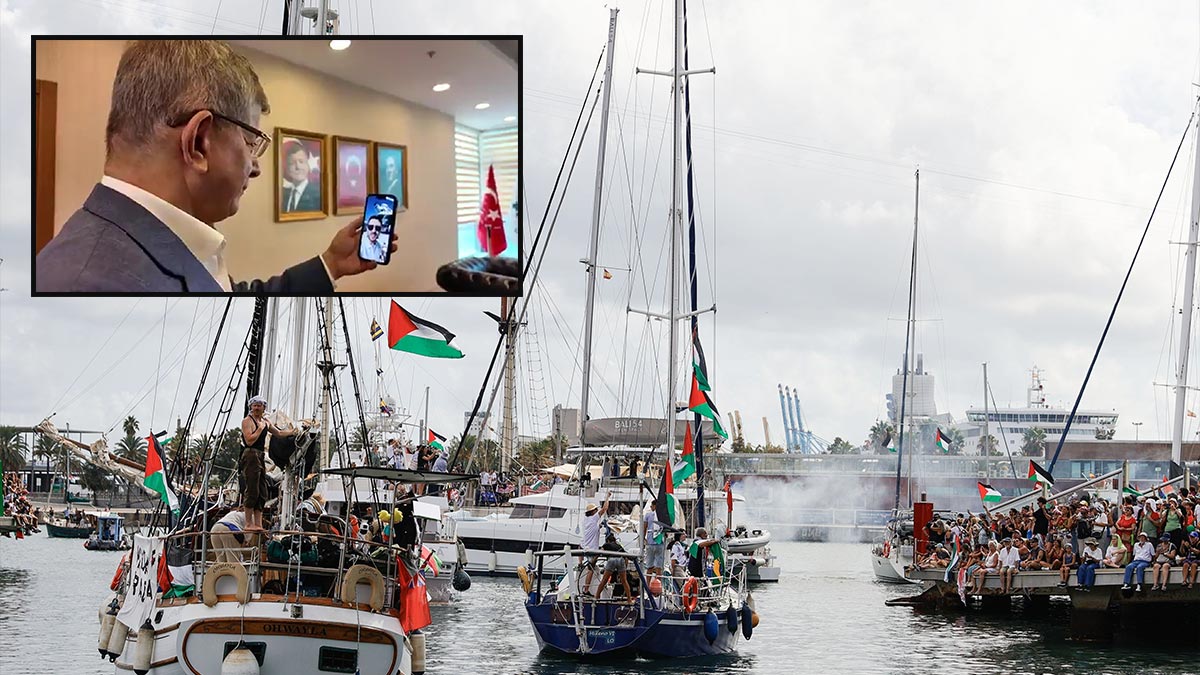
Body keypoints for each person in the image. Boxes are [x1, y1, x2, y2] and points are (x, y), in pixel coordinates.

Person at [35, 40, 396, 293]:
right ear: (199, 142)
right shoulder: (92, 285)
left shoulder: (146, 246)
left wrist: (331, 263)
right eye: (251, 142)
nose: (256, 168)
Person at [240, 395, 295, 532]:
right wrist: (259, 428)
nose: (257, 408)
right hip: (251, 454)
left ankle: (258, 524)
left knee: (261, 491)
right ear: (251, 407)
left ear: (264, 407)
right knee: (252, 489)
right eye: (254, 405)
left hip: (260, 455)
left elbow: (279, 433)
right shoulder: (247, 421)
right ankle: (248, 523)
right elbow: (249, 440)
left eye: (259, 405)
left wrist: (293, 432)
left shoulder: (265, 421)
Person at [580, 498, 610, 595]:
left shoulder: (586, 520)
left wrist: (599, 527)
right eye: (596, 510)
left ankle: (586, 588)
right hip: (592, 549)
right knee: (590, 569)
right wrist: (607, 497)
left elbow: (593, 529)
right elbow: (605, 508)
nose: (597, 511)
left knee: (591, 568)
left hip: (587, 547)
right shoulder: (594, 518)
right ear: (593, 512)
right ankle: (586, 590)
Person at [280, 141, 320, 212]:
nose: (298, 167)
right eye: (292, 163)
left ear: (307, 165)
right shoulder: (283, 195)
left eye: (301, 162)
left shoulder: (318, 194)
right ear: (287, 169)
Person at [595, 532, 632, 601]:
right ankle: (629, 599)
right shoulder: (619, 546)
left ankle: (596, 597)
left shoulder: (606, 544)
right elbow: (626, 558)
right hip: (621, 559)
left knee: (604, 581)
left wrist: (593, 561)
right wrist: (625, 568)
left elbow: (599, 552)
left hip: (611, 559)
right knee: (624, 581)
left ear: (608, 541)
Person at [643, 499, 665, 577]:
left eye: (651, 506)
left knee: (649, 566)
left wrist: (643, 539)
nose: (651, 507)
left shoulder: (648, 515)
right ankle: (659, 582)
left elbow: (644, 528)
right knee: (659, 567)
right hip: (660, 542)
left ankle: (648, 583)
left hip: (650, 542)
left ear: (655, 506)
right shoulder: (663, 515)